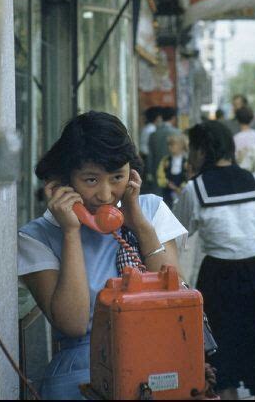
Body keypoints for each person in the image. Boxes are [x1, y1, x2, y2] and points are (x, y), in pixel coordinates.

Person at [17, 111, 187, 399]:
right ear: (64, 180)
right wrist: (71, 233)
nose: (106, 194)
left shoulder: (151, 211)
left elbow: (177, 295)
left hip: (159, 358)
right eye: (91, 180)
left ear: (131, 174)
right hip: (84, 369)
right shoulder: (37, 237)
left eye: (117, 177)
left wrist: (140, 226)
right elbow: (73, 324)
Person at [173, 120, 255, 400]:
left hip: (218, 280)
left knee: (223, 362)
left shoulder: (195, 189)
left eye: (192, 149)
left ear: (201, 151)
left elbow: (175, 234)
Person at [146, 106, 181, 195]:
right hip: (174, 172)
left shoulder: (153, 135)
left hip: (157, 171)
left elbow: (150, 156)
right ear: (173, 118)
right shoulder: (177, 133)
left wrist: (149, 172)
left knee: (158, 199)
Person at [156, 133, 189, 209]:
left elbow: (189, 176)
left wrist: (182, 186)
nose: (169, 147)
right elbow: (160, 174)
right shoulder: (165, 161)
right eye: (168, 145)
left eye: (172, 145)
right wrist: (167, 183)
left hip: (182, 191)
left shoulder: (186, 162)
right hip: (168, 191)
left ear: (180, 146)